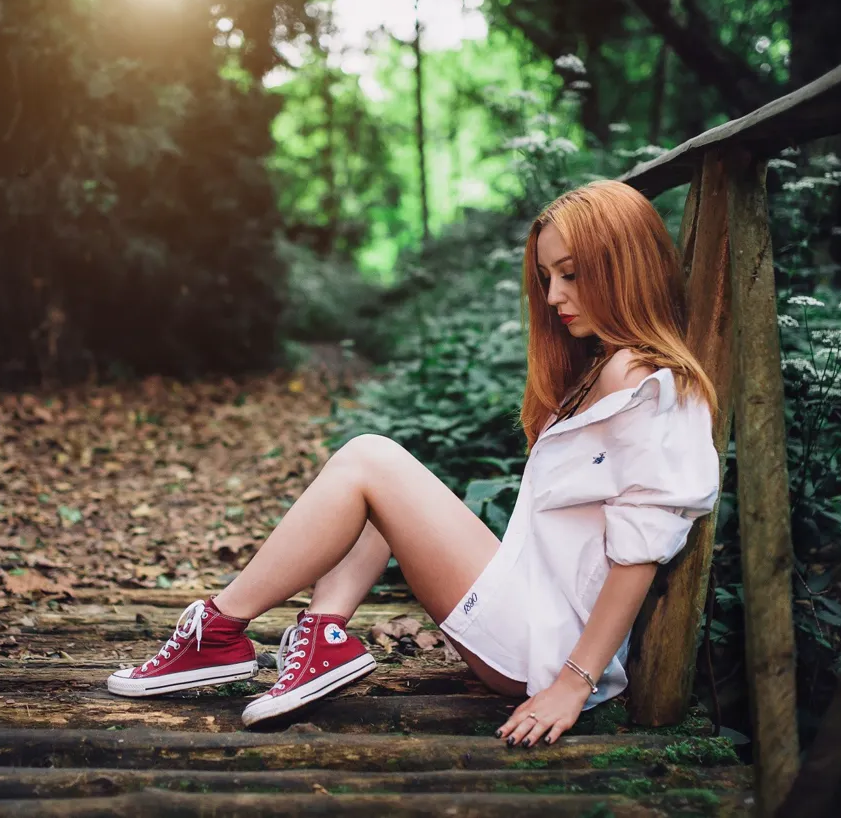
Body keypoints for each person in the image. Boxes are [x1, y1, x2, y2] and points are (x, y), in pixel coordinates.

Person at [106, 180, 720, 748]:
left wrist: (574, 680)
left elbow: (640, 547)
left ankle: (216, 632)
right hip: (529, 610)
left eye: (571, 274)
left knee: (370, 458)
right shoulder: (603, 367)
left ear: (626, 265)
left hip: (542, 643)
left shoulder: (640, 377)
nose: (555, 296)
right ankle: (321, 637)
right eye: (547, 277)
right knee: (379, 496)